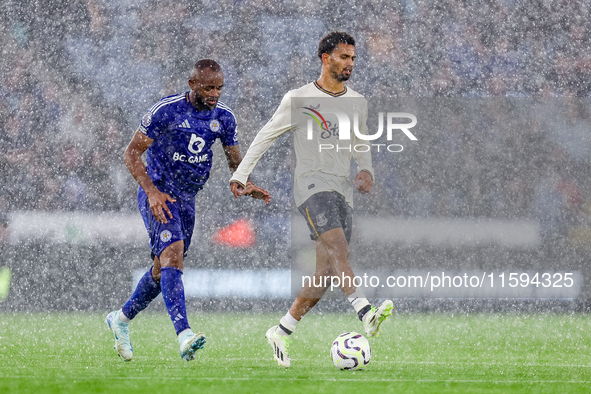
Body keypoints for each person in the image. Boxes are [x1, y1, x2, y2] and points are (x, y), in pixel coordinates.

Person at [229, 32, 393, 368]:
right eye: (344, 57)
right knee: (339, 251)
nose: (349, 64)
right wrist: (240, 175)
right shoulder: (299, 99)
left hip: (341, 190)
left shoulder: (357, 102)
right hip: (310, 187)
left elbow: (360, 143)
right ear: (325, 58)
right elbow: (265, 135)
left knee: (326, 273)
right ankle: (366, 313)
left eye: (353, 59)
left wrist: (366, 170)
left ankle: (281, 331)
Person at [106, 59, 270, 362]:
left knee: (162, 268)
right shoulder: (165, 111)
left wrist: (245, 183)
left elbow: (236, 163)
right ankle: (184, 335)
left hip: (187, 199)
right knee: (173, 255)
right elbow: (131, 154)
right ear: (192, 84)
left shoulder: (223, 118)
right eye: (208, 87)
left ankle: (121, 319)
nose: (214, 94)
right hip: (158, 195)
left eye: (219, 88)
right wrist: (152, 192)